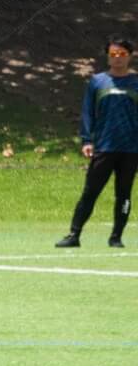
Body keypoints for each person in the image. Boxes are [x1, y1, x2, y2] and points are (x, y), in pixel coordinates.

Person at [55, 36, 136, 249]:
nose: (117, 58)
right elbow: (87, 113)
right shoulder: (97, 81)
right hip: (104, 147)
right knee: (90, 192)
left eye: (122, 54)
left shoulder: (136, 83)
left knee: (124, 195)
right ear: (108, 57)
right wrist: (86, 140)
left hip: (131, 149)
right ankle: (74, 234)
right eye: (113, 54)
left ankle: (116, 237)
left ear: (130, 56)